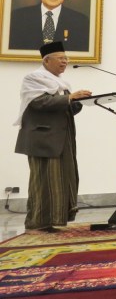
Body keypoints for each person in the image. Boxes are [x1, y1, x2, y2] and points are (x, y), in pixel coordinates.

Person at [14, 41, 92, 232]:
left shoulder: (61, 83)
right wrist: (69, 98)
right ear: (47, 60)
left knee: (61, 179)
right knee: (43, 181)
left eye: (66, 58)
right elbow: (39, 103)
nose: (65, 62)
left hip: (61, 139)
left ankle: (53, 221)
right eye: (61, 58)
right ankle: (37, 223)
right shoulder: (33, 78)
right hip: (42, 139)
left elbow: (63, 109)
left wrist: (78, 102)